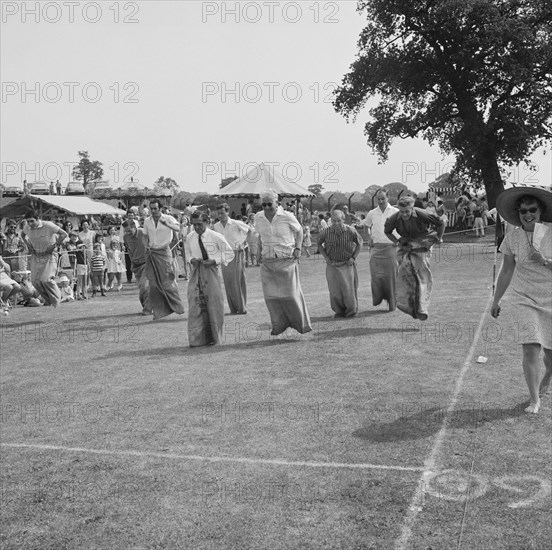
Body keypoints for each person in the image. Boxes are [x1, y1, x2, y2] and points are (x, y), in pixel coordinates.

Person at [491, 186, 552, 414]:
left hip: (550, 297)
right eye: (523, 211)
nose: (527, 215)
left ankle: (548, 376)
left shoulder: (551, 232)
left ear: (540, 210)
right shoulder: (513, 236)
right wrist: (496, 300)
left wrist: (544, 260)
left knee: (551, 354)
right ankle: (534, 399)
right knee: (530, 348)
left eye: (532, 210)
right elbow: (507, 270)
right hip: (523, 297)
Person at [254, 189, 312, 336]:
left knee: (291, 295)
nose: (267, 208)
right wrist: (257, 252)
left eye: (269, 204)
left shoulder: (287, 216)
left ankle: (301, 324)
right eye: (264, 205)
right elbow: (259, 236)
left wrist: (298, 248)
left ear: (276, 202)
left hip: (286, 260)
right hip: (267, 261)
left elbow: (299, 231)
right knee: (271, 297)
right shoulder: (259, 217)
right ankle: (279, 326)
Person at [384, 196, 445, 320]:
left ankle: (422, 308)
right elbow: (388, 231)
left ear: (412, 208)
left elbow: (441, 222)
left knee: (421, 274)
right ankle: (408, 304)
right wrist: (398, 242)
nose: (405, 214)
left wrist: (439, 237)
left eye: (407, 211)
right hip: (406, 243)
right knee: (406, 274)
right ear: (398, 209)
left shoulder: (422, 214)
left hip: (423, 241)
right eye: (402, 211)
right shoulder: (393, 219)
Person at [185, 211, 234, 347]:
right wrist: (191, 260)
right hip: (196, 271)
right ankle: (197, 339)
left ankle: (216, 337)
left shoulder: (216, 236)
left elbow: (229, 253)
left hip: (212, 271)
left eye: (199, 224)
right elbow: (187, 252)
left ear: (207, 222)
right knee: (196, 304)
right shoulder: (190, 237)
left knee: (213, 304)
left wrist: (215, 260)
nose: (197, 228)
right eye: (194, 225)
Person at [143, 199, 185, 320]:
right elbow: (145, 236)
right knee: (153, 283)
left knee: (168, 281)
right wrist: (145, 245)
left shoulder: (168, 218)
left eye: (156, 208)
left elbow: (178, 228)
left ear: (160, 208)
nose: (153, 211)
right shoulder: (147, 221)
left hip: (164, 252)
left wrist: (166, 224)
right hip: (151, 252)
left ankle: (178, 306)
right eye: (152, 208)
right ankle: (157, 311)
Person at [318, 210, 362, 318]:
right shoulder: (326, 232)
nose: (336, 223)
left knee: (349, 290)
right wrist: (326, 257)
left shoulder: (350, 231)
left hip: (347, 265)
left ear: (343, 220)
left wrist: (353, 257)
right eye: (334, 221)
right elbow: (319, 244)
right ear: (331, 220)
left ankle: (351, 311)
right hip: (332, 265)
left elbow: (360, 243)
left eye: (339, 220)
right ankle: (339, 311)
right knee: (334, 290)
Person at [20, 210, 67, 307]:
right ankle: (49, 301)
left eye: (32, 221)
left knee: (47, 280)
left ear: (38, 219)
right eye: (28, 221)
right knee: (35, 281)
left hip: (50, 255)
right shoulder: (27, 227)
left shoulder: (48, 225)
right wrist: (28, 245)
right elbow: (22, 235)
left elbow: (64, 234)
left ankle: (57, 302)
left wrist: (54, 246)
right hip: (36, 255)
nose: (30, 223)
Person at [362, 189, 399, 311]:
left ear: (388, 198)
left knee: (391, 276)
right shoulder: (372, 213)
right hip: (376, 249)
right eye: (378, 199)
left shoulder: (395, 212)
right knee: (377, 277)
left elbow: (402, 228)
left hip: (391, 247)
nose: (381, 201)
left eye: (383, 198)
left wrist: (399, 241)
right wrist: (369, 237)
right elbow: (366, 226)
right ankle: (379, 299)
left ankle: (392, 302)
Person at [213, 202, 250, 315]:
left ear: (227, 212)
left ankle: (242, 307)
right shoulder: (216, 226)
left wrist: (243, 244)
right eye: (218, 213)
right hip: (224, 254)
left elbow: (250, 231)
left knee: (238, 280)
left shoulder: (236, 223)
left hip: (236, 253)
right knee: (228, 282)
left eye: (222, 213)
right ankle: (233, 308)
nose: (220, 215)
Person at [122, 220, 151, 315]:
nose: (127, 233)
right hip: (136, 265)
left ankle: (147, 309)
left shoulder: (144, 233)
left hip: (147, 264)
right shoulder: (125, 237)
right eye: (125, 231)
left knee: (145, 286)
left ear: (135, 227)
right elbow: (130, 251)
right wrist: (132, 263)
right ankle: (148, 307)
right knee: (141, 288)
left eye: (129, 230)